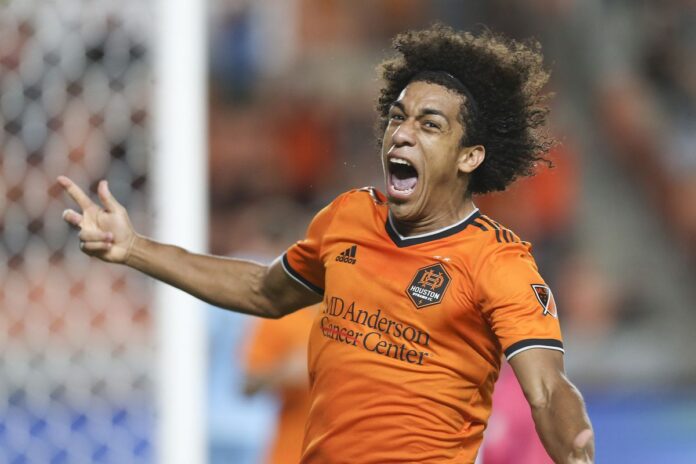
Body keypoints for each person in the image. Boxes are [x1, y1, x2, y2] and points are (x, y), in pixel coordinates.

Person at [58, 24, 594, 464]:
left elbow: (547, 390)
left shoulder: (498, 262)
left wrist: (574, 451)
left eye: (430, 125)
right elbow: (262, 290)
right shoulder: (349, 218)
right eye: (397, 118)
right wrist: (134, 248)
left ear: (470, 156)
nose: (402, 133)